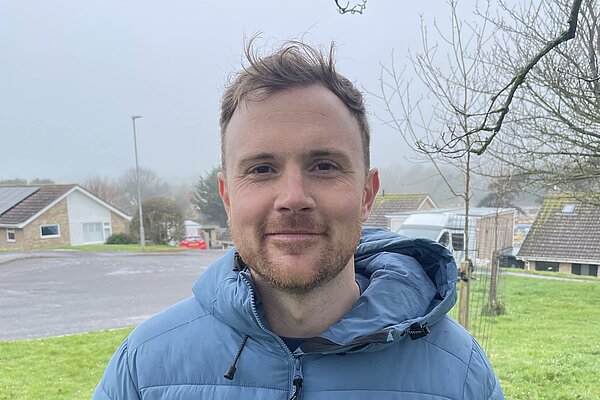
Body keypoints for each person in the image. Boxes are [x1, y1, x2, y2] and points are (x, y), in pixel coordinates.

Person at [93, 40, 504, 399]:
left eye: (324, 166)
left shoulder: (460, 376)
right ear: (228, 198)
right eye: (261, 169)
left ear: (366, 195)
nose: (292, 198)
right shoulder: (144, 370)